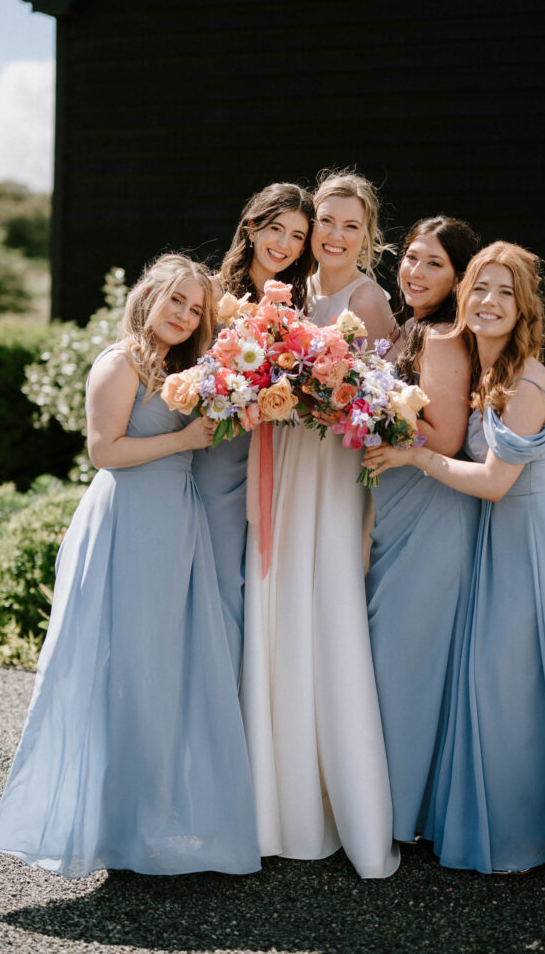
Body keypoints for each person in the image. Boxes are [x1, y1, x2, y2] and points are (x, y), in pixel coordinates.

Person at [363, 241, 545, 873]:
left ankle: (544, 832)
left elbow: (494, 481)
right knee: (503, 688)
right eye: (480, 289)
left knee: (532, 681)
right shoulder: (480, 368)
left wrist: (414, 455)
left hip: (537, 542)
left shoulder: (527, 379)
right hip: (496, 540)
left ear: (524, 307)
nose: (489, 302)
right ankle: (514, 825)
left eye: (505, 292)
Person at [0, 254, 260, 877]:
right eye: (176, 301)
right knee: (126, 663)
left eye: (195, 307)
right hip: (129, 519)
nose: (185, 315)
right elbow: (104, 450)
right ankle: (117, 825)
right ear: (148, 297)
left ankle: (151, 815)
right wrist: (187, 440)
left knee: (161, 668)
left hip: (175, 519)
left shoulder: (185, 366)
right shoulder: (121, 360)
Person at [241, 170, 400, 878]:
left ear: (368, 237)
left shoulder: (368, 299)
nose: (332, 236)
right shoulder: (293, 291)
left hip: (332, 472)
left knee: (325, 608)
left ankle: (341, 811)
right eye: (324, 223)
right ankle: (275, 806)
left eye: (347, 226)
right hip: (283, 462)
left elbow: (385, 401)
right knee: (278, 609)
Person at [366, 216, 482, 842]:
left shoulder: (442, 336)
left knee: (408, 661)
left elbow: (447, 438)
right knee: (394, 658)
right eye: (411, 257)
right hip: (397, 504)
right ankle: (390, 805)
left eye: (434, 262)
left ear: (459, 276)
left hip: (431, 510)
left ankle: (403, 814)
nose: (414, 271)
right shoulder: (409, 329)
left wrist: (370, 409)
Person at [192, 183, 314, 679]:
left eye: (297, 237)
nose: (283, 245)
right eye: (275, 229)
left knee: (257, 588)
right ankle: (210, 694)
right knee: (220, 578)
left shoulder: (297, 309)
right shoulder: (212, 293)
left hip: (275, 457)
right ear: (252, 227)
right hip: (217, 454)